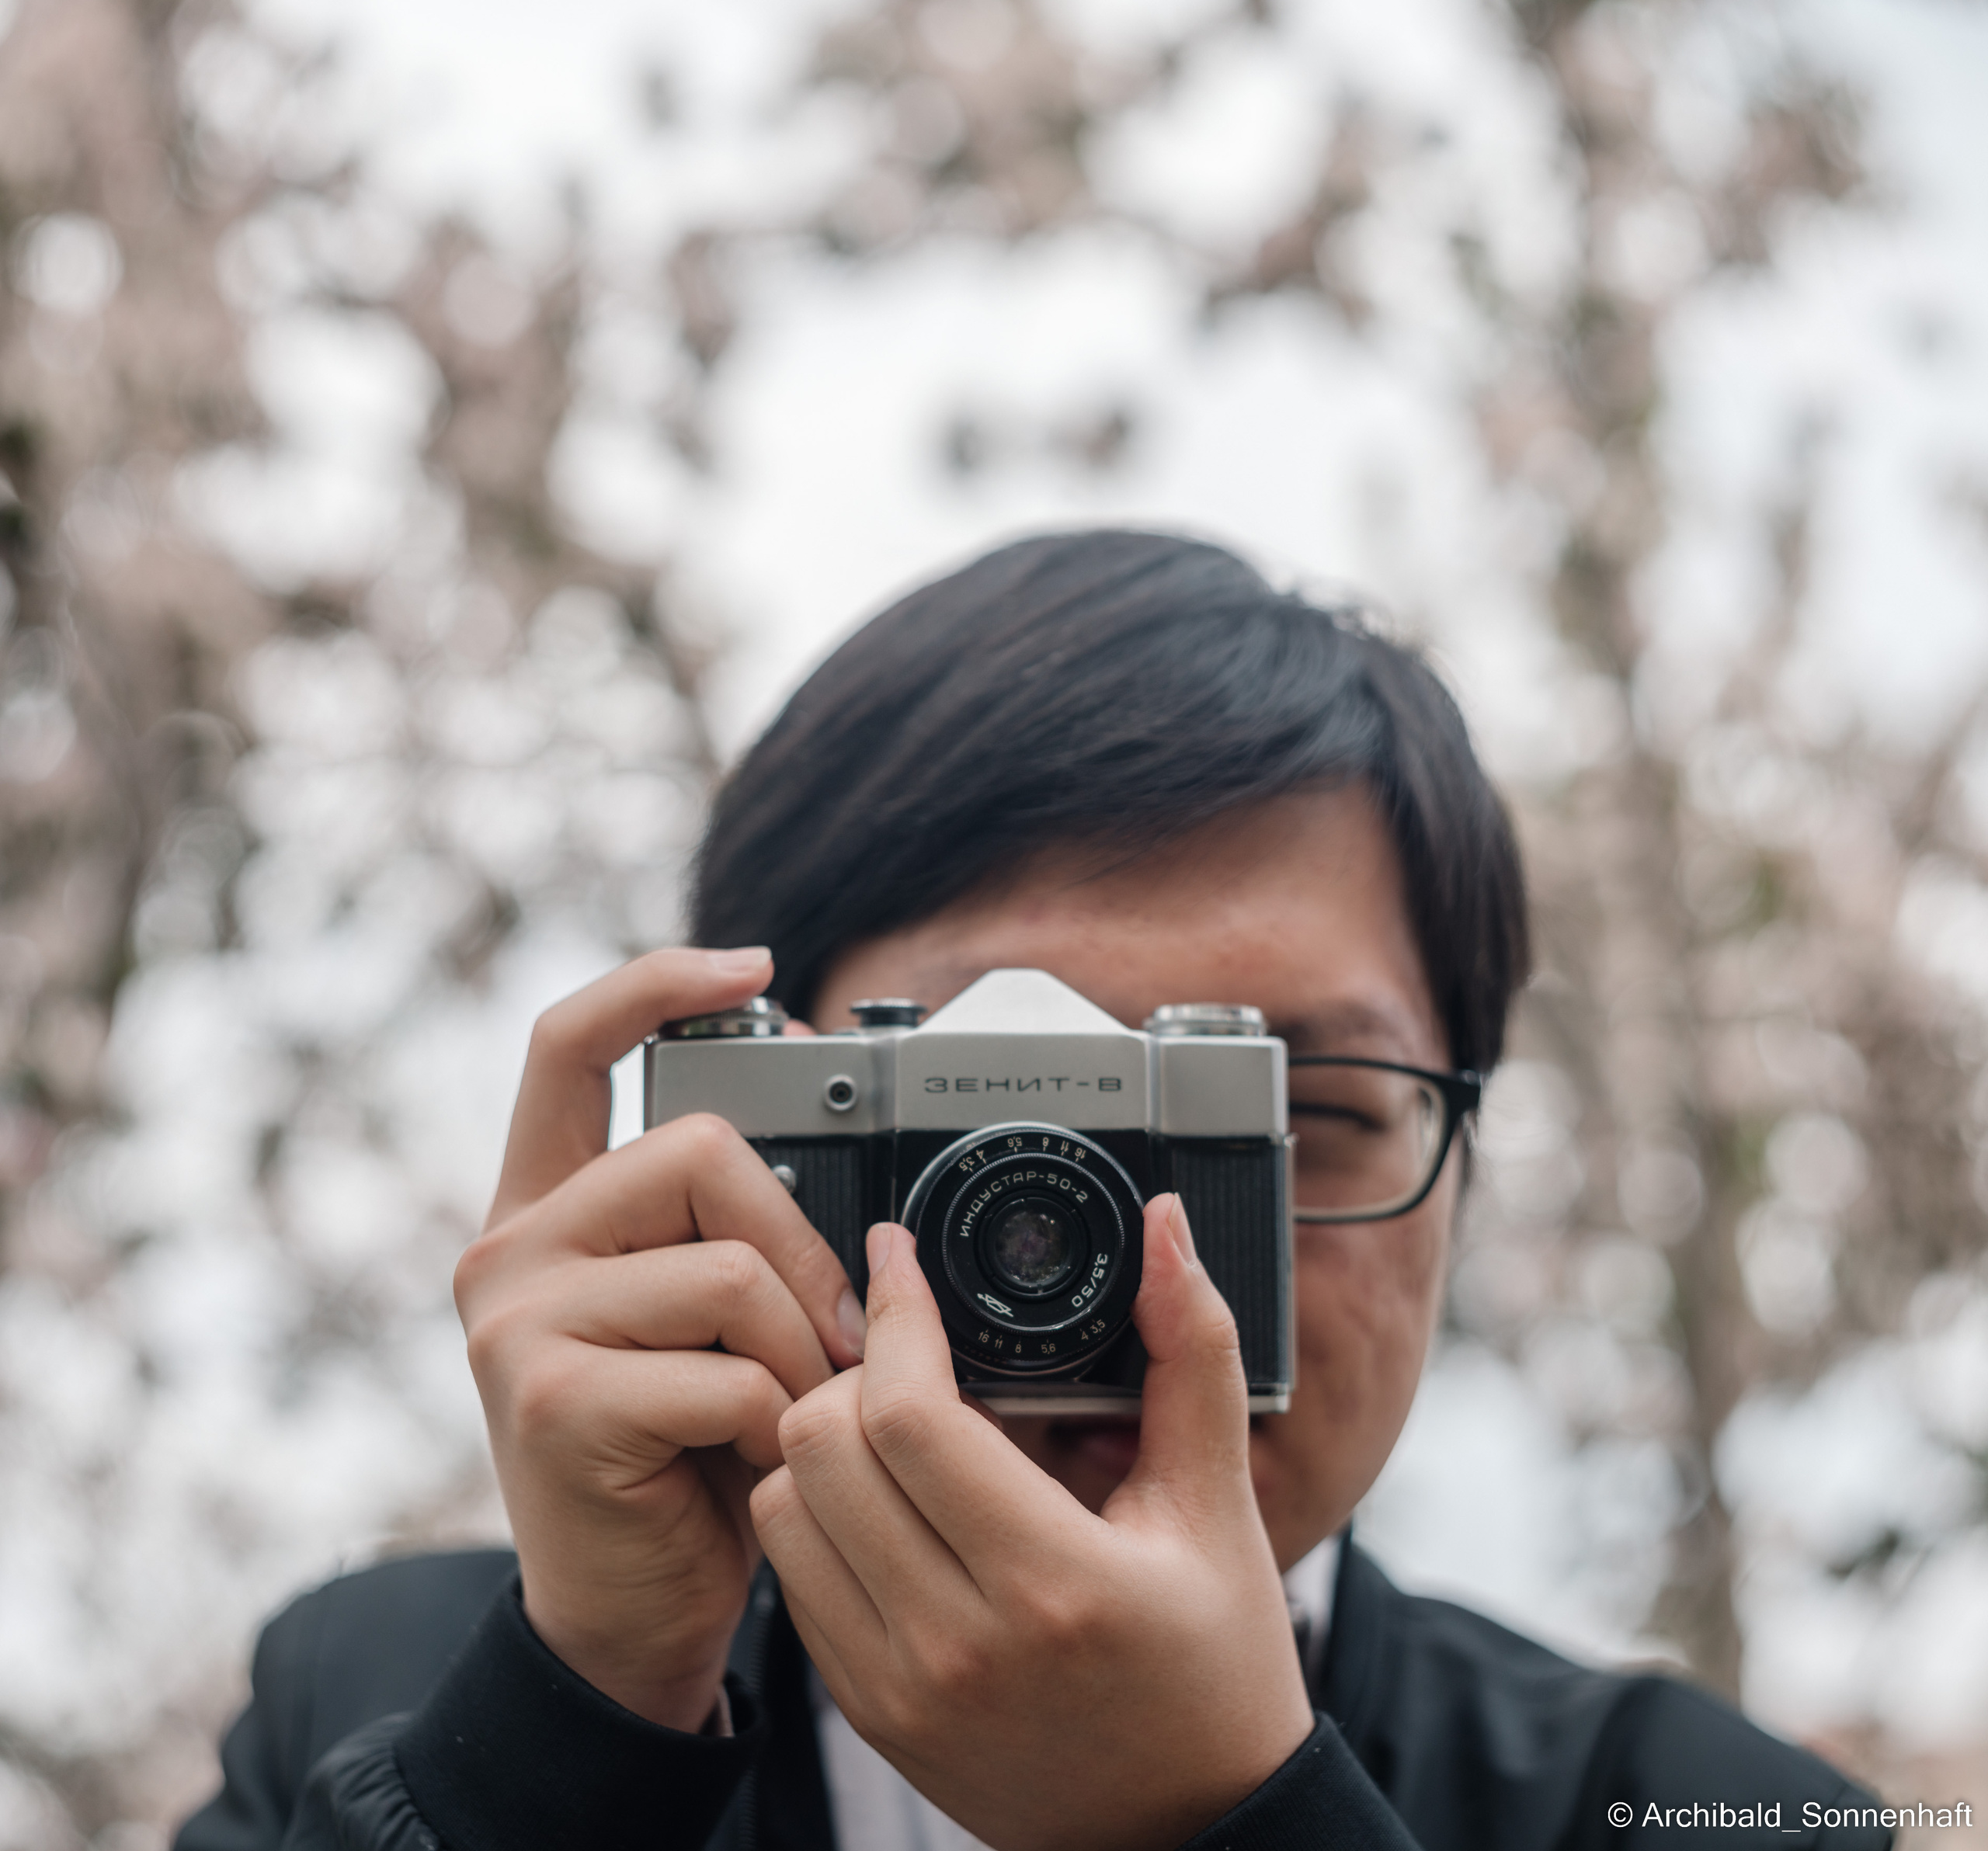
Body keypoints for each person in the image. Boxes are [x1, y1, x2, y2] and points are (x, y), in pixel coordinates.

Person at [176, 531, 1891, 1850]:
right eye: (986, 1118)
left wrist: (1232, 1818)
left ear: (1461, 1161)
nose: (1128, 1263)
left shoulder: (1702, 1808)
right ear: (752, 1122)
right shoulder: (378, 1699)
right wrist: (561, 1740)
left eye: (1289, 1116)